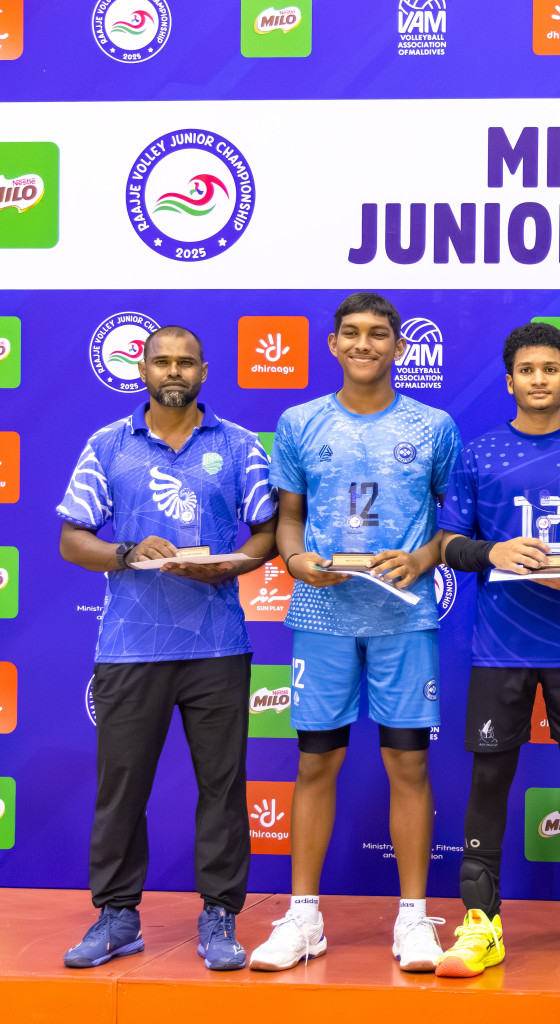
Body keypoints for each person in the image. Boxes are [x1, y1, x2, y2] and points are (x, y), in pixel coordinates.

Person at [250, 293, 461, 973]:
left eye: (379, 334)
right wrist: (295, 560)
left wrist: (422, 558)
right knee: (316, 762)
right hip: (322, 618)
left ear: (400, 347)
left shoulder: (435, 427)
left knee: (408, 762)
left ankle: (412, 920)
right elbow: (289, 518)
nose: (365, 344)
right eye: (352, 334)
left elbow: (453, 526)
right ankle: (304, 916)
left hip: (405, 617)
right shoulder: (299, 421)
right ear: (333, 344)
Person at [57, 326, 277, 971]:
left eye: (185, 362)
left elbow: (266, 530)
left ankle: (220, 916)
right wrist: (126, 552)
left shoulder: (239, 445)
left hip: (217, 645)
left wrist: (234, 565)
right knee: (121, 785)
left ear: (204, 372)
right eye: (162, 361)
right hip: (129, 647)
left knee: (223, 785)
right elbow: (73, 539)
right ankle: (118, 916)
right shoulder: (107, 444)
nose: (173, 371)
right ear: (143, 368)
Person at [432, 321, 560, 977]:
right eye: (528, 370)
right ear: (510, 379)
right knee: (490, 777)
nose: (540, 379)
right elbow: (445, 545)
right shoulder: (477, 453)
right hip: (500, 647)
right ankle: (479, 923)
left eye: (552, 369)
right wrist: (490, 550)